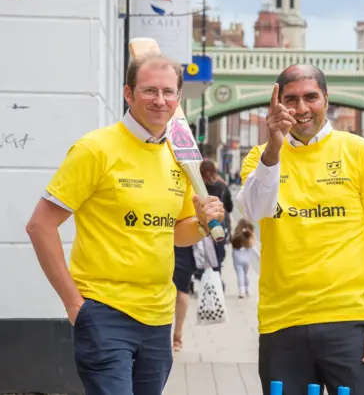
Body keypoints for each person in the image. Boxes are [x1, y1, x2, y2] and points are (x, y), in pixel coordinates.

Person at [25, 53, 226, 395]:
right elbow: (40, 225)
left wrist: (205, 223)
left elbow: (177, 232)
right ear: (128, 94)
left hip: (159, 316)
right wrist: (74, 304)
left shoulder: (179, 157)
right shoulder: (95, 149)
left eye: (167, 92)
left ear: (178, 98)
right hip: (105, 312)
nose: (159, 100)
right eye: (149, 91)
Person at [236, 64, 364, 395]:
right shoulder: (261, 157)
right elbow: (255, 210)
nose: (301, 109)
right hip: (282, 323)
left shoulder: (360, 152)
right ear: (277, 106)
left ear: (327, 100)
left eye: (311, 97)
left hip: (349, 323)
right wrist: (273, 149)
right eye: (290, 99)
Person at [172, 244, 196, 351]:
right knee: (182, 291)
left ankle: (177, 334)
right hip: (184, 247)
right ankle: (177, 336)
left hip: (180, 247)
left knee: (181, 292)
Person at [230, 218, 259, 298]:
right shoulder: (248, 236)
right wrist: (258, 256)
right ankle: (248, 289)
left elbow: (233, 248)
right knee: (246, 274)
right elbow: (253, 247)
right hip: (247, 259)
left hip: (237, 260)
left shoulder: (236, 236)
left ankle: (241, 290)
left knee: (240, 274)